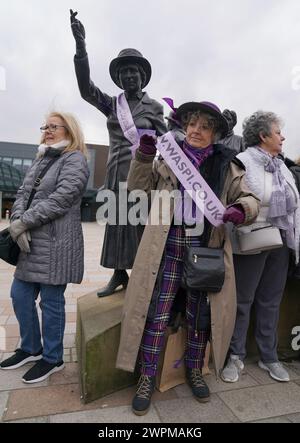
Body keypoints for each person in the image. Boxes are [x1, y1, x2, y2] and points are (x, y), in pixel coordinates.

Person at [116, 100, 260, 415]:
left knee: (199, 317)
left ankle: (194, 370)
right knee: (157, 314)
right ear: (185, 126)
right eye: (192, 124)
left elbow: (251, 198)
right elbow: (138, 192)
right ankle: (147, 376)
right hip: (166, 247)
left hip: (205, 248)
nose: (196, 131)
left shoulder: (228, 165)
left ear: (216, 133)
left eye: (205, 127)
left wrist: (240, 209)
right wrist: (143, 155)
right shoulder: (167, 159)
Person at [70, 10, 167, 298]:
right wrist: (81, 48)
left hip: (141, 176)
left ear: (142, 76)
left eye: (133, 71)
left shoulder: (154, 107)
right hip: (114, 172)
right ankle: (118, 274)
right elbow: (86, 90)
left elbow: (165, 141)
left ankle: (143, 276)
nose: (128, 75)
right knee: (116, 226)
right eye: (124, 72)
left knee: (137, 226)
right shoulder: (113, 104)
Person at [0, 112, 89, 383]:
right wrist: (16, 220)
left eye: (53, 126)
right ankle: (30, 348)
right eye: (45, 127)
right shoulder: (41, 159)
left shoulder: (75, 160)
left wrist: (23, 223)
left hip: (56, 243)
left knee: (51, 302)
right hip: (30, 242)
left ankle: (53, 357)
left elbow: (62, 199)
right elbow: (23, 194)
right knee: (20, 295)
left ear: (69, 130)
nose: (47, 130)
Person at [221, 111, 300, 384]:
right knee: (243, 301)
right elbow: (238, 198)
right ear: (264, 136)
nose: (283, 137)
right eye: (278, 132)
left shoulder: (283, 166)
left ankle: (269, 357)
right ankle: (235, 356)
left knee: (271, 300)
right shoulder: (242, 162)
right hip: (252, 239)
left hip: (280, 241)